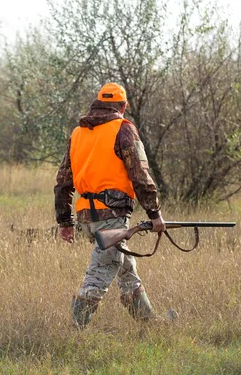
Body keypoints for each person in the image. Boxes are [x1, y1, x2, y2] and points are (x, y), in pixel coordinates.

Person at [54, 82, 166, 329]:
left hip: (86, 218)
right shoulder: (123, 129)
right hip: (112, 215)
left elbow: (63, 182)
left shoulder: (77, 133)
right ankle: (74, 329)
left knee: (125, 267)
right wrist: (155, 213)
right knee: (100, 272)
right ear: (123, 106)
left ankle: (149, 323)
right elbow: (140, 175)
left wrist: (65, 221)